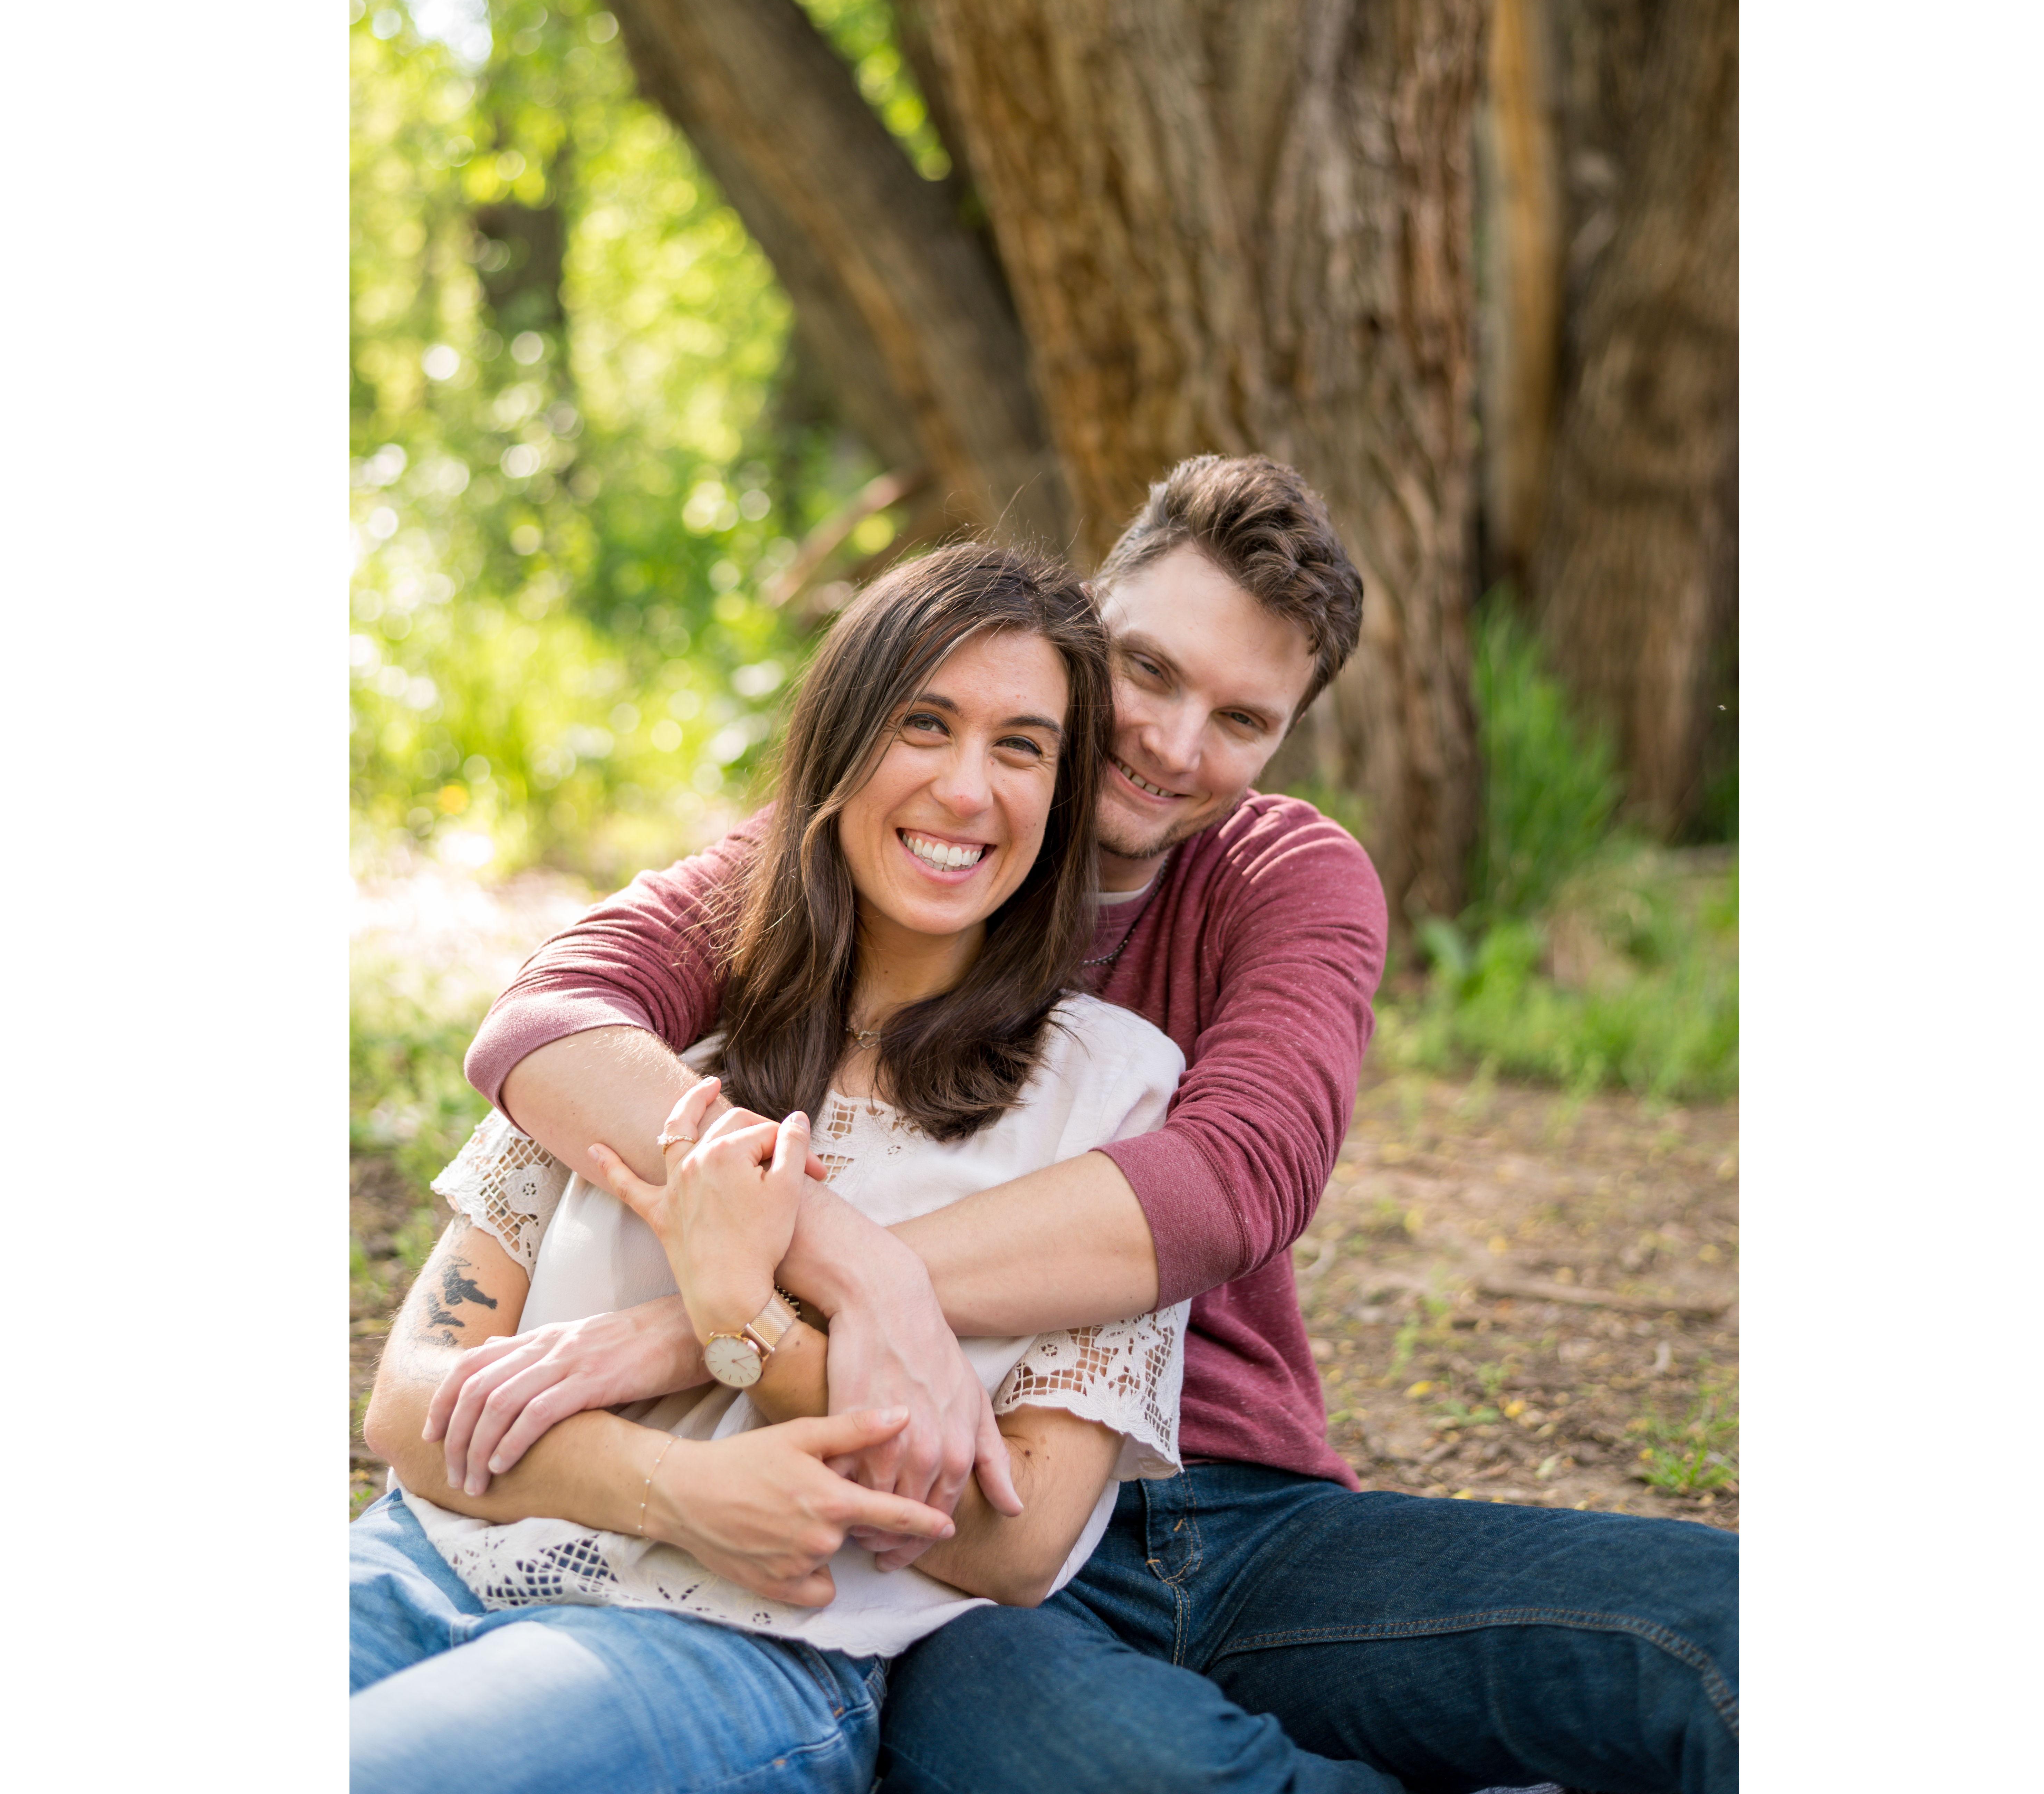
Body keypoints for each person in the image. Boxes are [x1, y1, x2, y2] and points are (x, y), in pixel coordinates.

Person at [448, 456, 1739, 1794]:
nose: (1177, 747)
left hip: (1246, 1521)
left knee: (1723, 1628)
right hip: (968, 1553)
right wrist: (845, 1274)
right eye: (1150, 672)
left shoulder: (1289, 879)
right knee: (1138, 1772)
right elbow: (547, 1019)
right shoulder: (894, 832)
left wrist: (747, 1305)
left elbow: (1229, 1185)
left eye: (1243, 719)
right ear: (1083, 627)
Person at [352, 543, 1190, 1793]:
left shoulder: (1109, 1097)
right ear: (841, 747)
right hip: (424, 1558)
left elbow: (1014, 1542)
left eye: (1021, 748)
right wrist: (673, 1484)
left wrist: (743, 1317)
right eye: (925, 724)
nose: (968, 789)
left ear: (1063, 801)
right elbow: (413, 1410)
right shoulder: (654, 1035)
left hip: (734, 1644)